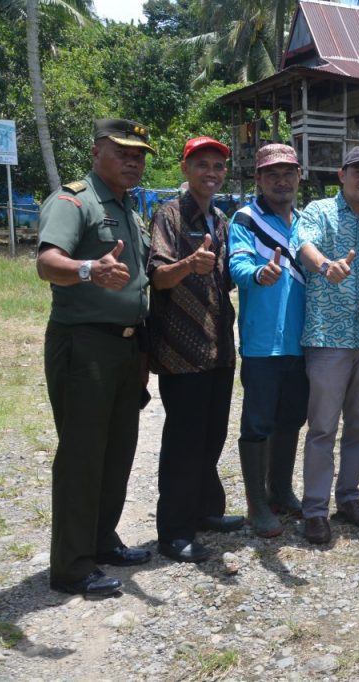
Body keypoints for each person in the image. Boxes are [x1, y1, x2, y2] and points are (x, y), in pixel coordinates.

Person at [37, 118, 155, 595]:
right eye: (123, 151)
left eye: (140, 154)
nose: (133, 160)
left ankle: (101, 541)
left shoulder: (129, 208)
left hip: (126, 346)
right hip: (84, 343)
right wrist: (88, 268)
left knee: (117, 451)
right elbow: (47, 262)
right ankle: (70, 565)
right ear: (96, 151)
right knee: (83, 455)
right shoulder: (74, 201)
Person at [147, 136, 244, 563]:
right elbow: (157, 277)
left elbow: (225, 281)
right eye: (202, 164)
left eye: (218, 166)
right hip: (181, 350)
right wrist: (187, 265)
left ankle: (205, 511)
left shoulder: (221, 220)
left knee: (212, 436)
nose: (211, 172)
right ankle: (174, 531)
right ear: (186, 169)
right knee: (184, 442)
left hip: (219, 348)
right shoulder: (168, 215)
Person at [293, 145, 359, 543]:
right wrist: (325, 265)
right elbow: (304, 245)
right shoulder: (317, 211)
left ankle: (349, 497)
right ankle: (315, 509)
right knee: (321, 427)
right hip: (327, 338)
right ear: (342, 175)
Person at [228, 144, 308, 537]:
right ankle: (256, 502)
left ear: (299, 175)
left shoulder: (307, 221)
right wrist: (259, 274)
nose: (281, 180)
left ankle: (280, 490)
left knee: (292, 418)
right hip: (262, 342)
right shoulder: (245, 218)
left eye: (288, 172)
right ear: (258, 179)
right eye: (271, 174)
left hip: (303, 339)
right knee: (258, 422)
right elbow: (239, 262)